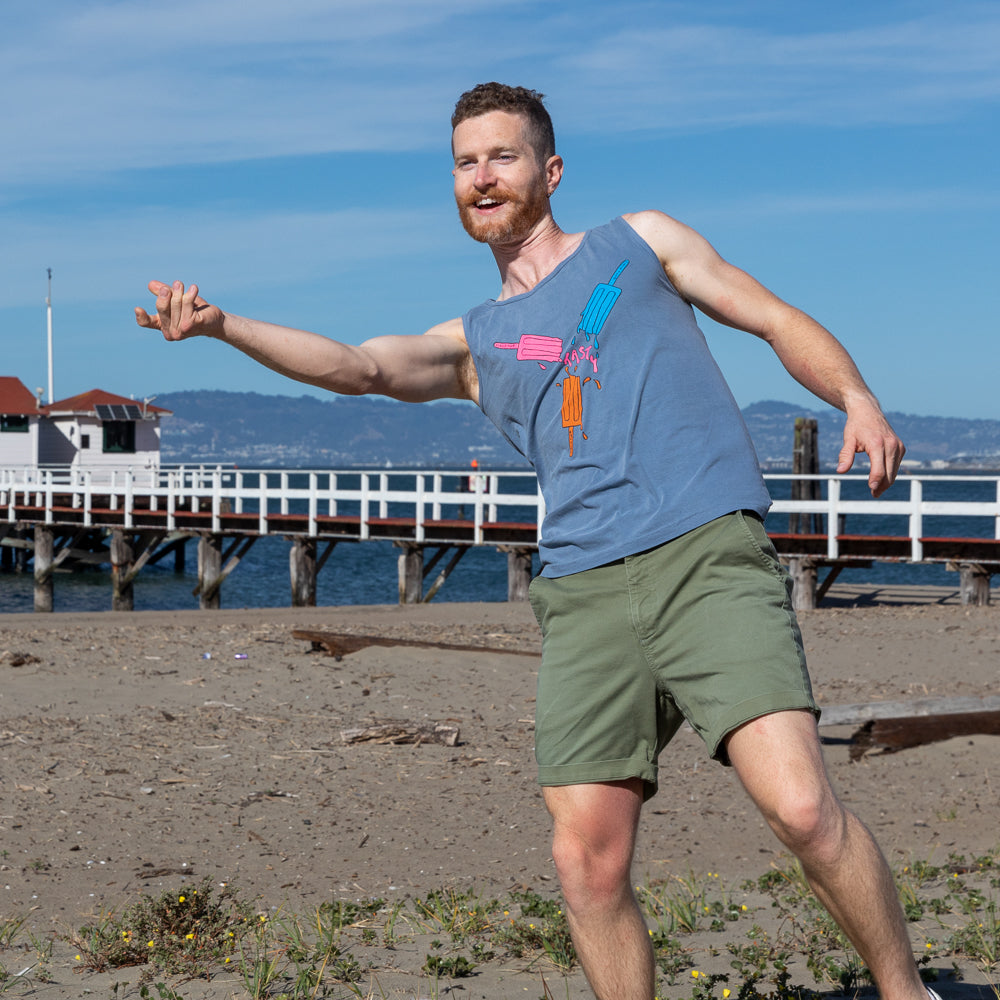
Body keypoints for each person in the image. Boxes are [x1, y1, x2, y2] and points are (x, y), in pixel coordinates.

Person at [137, 83, 930, 1000]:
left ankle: (906, 993)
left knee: (801, 809)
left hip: (704, 554)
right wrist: (223, 325)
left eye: (502, 156)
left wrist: (856, 398)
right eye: (466, 162)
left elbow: (772, 317)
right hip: (584, 591)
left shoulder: (640, 243)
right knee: (586, 864)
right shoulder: (474, 342)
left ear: (550, 171)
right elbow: (357, 367)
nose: (483, 177)